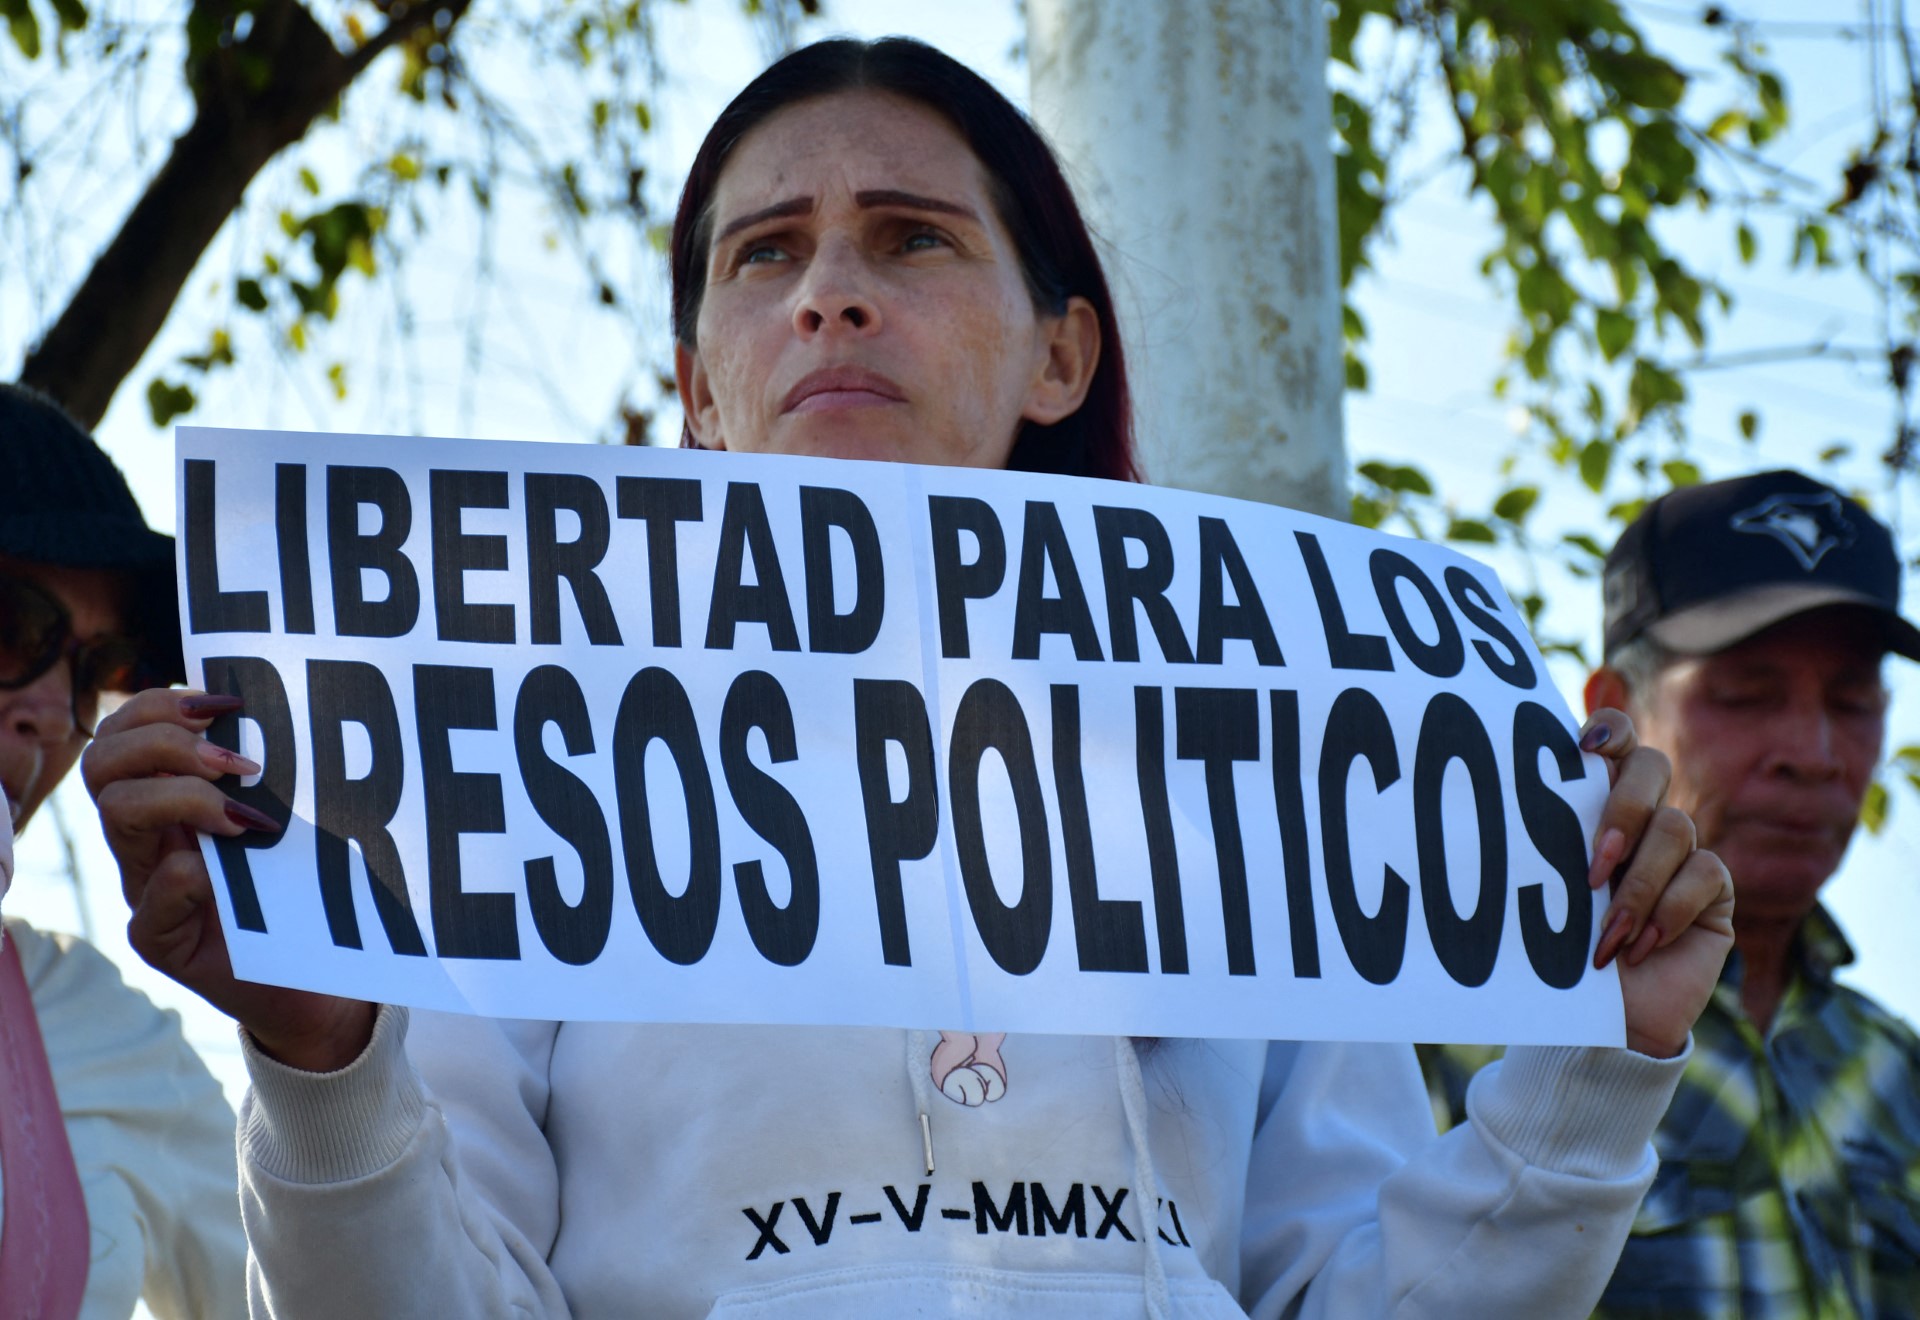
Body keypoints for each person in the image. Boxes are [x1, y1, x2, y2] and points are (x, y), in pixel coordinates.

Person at [86, 39, 1734, 1319]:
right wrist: (322, 1065)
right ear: (699, 393)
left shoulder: (1269, 771)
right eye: (765, 255)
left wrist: (1601, 1066)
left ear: (1061, 353)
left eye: (913, 238)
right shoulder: (495, 777)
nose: (831, 292)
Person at [1424, 469, 1920, 1317]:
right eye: (1745, 696)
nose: (1813, 754)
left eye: (1853, 701)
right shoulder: (1467, 1037)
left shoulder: (1895, 1067)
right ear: (1613, 709)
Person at [0, 382, 247, 1319]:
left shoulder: (97, 1034)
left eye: (100, 670)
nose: (55, 715)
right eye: (10, 627)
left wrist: (317, 1056)